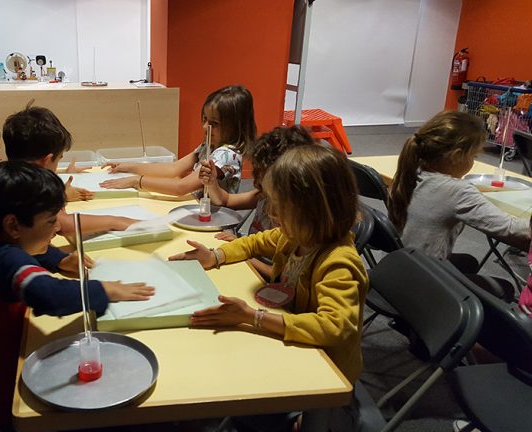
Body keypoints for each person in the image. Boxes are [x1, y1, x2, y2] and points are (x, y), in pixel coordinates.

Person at [0, 160, 154, 431]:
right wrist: (104, 290)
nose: (56, 229)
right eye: (51, 221)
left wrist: (58, 260)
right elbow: (48, 295)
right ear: (13, 225)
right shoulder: (5, 259)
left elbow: (31, 250)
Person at [169, 145, 367, 426]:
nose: (271, 212)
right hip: (295, 345)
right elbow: (255, 242)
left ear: (313, 210)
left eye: (280, 206)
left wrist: (253, 317)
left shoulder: (339, 263)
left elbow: (333, 327)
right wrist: (216, 256)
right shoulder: (296, 236)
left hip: (326, 377)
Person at [389, 111, 530, 300]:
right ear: (456, 156)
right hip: (421, 285)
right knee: (505, 288)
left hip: (397, 269)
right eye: (474, 156)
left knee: (468, 262)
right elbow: (511, 228)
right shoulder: (458, 191)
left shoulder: (411, 172)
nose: (474, 161)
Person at [200, 125, 317, 278]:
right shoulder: (263, 195)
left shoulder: (295, 229)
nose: (271, 211)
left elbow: (278, 276)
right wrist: (212, 182)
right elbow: (225, 200)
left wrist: (242, 255)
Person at [2, 104, 135, 235]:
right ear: (47, 160)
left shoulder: (6, 177)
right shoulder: (32, 187)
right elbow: (64, 225)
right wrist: (115, 221)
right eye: (58, 159)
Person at [99, 85, 255, 197]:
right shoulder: (209, 145)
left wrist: (136, 181)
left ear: (235, 127)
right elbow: (173, 168)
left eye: (214, 123)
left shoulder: (226, 155)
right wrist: (129, 167)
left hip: (213, 222)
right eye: (205, 119)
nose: (205, 127)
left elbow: (181, 187)